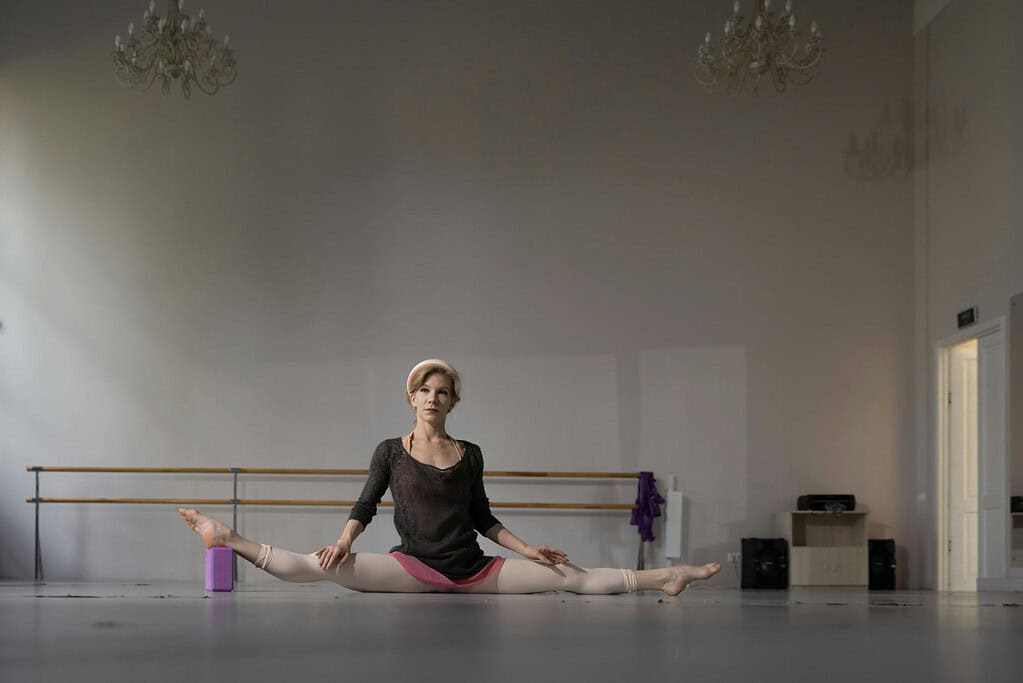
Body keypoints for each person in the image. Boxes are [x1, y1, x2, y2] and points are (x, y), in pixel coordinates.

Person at [179, 359, 720, 595]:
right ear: (412, 397)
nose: (433, 398)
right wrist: (344, 540)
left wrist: (527, 548)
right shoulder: (392, 451)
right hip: (411, 567)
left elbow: (482, 517)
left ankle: (671, 576)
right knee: (314, 568)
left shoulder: (470, 453)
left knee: (573, 577)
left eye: (443, 392)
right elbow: (366, 504)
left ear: (453, 400)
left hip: (474, 568)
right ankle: (226, 537)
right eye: (424, 391)